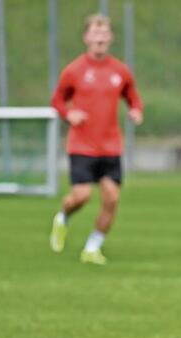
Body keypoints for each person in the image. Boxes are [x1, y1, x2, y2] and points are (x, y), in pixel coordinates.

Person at [49, 13, 143, 265]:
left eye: (104, 33)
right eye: (95, 33)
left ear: (110, 38)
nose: (100, 38)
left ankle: (92, 247)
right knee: (81, 197)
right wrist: (69, 113)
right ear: (86, 37)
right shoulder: (74, 70)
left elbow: (133, 96)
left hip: (111, 145)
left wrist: (136, 110)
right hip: (81, 145)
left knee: (112, 198)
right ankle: (63, 217)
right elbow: (57, 100)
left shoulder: (120, 71)